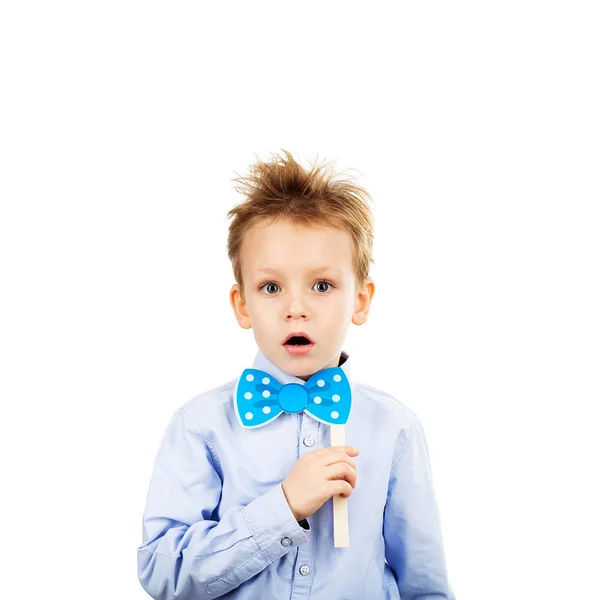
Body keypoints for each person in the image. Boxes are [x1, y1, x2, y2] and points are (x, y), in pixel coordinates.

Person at [137, 150, 455, 599]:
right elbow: (162, 571)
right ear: (242, 304)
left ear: (360, 301)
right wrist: (282, 508)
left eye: (322, 285)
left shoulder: (395, 428)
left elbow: (424, 584)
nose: (296, 308)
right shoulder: (199, 426)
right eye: (271, 287)